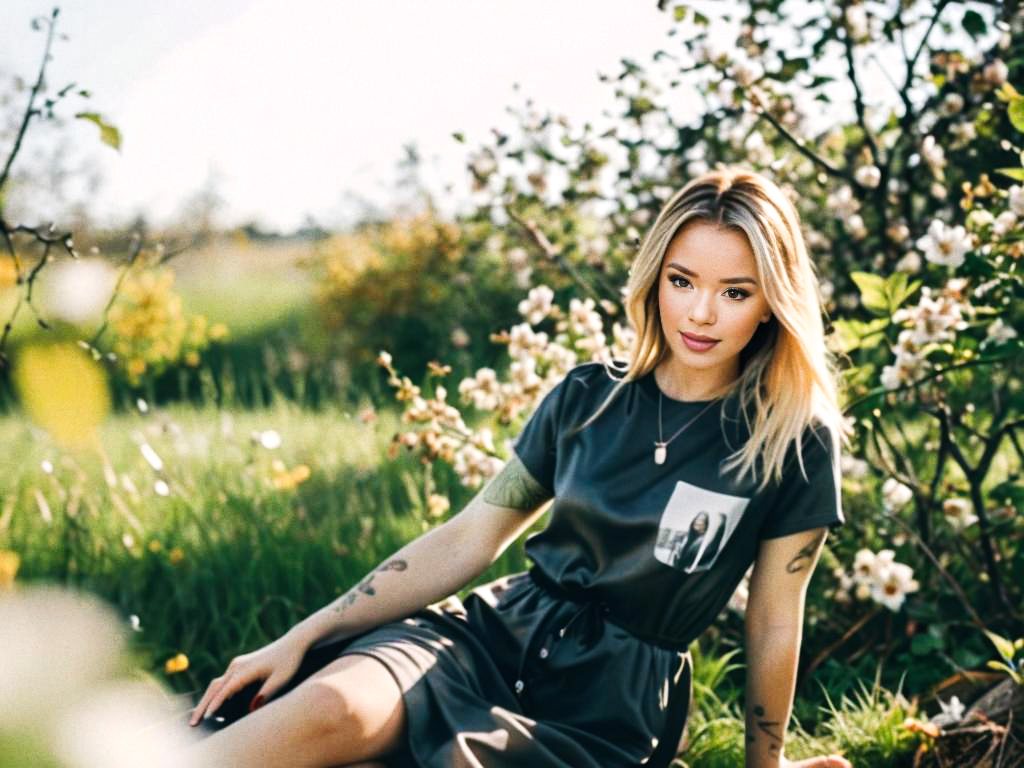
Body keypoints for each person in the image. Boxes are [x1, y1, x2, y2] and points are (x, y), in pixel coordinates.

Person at [185, 167, 854, 768]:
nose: (701, 313)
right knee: (332, 710)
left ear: (771, 301)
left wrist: (766, 767)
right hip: (485, 639)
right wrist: (304, 636)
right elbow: (471, 534)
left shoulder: (792, 443)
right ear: (655, 281)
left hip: (603, 710)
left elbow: (772, 623)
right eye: (682, 282)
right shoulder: (586, 399)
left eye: (735, 292)